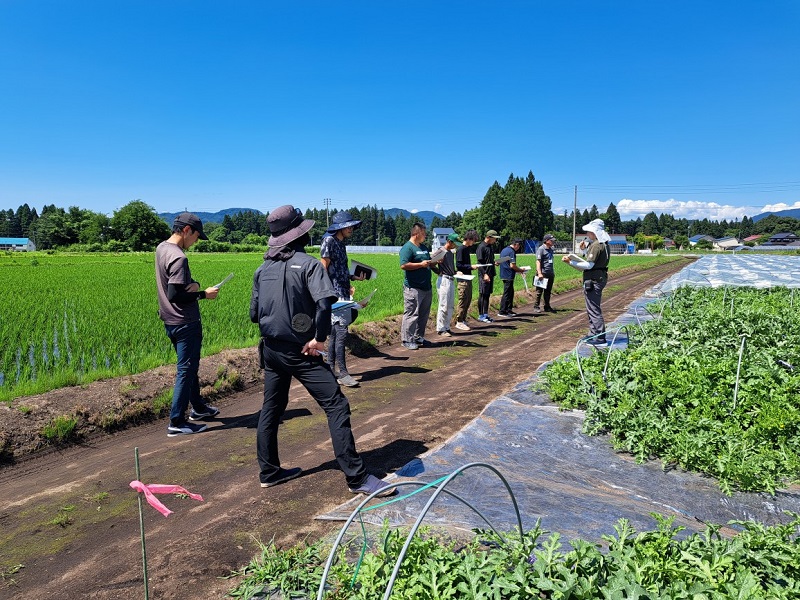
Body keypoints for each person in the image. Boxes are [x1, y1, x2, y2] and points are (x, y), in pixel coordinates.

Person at [250, 205, 395, 496]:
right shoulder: (309, 265)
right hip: (302, 351)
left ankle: (269, 471)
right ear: (300, 234)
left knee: (272, 408)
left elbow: (255, 314)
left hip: (270, 350)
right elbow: (324, 305)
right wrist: (318, 338)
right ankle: (357, 478)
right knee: (336, 405)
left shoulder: (261, 269)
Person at [155, 212, 220, 437]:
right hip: (185, 321)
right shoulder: (179, 257)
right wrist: (203, 294)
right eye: (196, 236)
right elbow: (175, 294)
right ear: (186, 231)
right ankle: (177, 421)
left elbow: (174, 286)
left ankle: (199, 408)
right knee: (185, 370)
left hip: (170, 321)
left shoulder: (162, 248)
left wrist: (191, 285)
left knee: (189, 367)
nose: (196, 241)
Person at [319, 211, 366, 388]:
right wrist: (324, 294)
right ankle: (343, 373)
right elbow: (323, 268)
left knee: (335, 333)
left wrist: (352, 278)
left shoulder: (341, 243)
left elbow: (340, 270)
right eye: (349, 226)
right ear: (341, 227)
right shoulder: (328, 240)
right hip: (333, 295)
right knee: (340, 333)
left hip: (343, 292)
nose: (352, 229)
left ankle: (330, 370)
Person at [563, 219, 611, 345]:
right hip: (599, 278)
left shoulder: (596, 245)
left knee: (593, 309)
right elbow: (593, 261)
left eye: (589, 232)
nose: (588, 234)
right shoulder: (603, 243)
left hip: (594, 280)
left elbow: (589, 265)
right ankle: (593, 333)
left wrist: (570, 262)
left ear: (594, 232)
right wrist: (584, 251)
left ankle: (600, 337)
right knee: (592, 308)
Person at [399, 222, 436, 350]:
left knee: (423, 314)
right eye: (423, 233)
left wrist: (434, 262)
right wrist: (421, 265)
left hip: (426, 287)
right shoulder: (408, 248)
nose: (425, 235)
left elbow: (428, 262)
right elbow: (403, 265)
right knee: (411, 314)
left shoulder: (423, 247)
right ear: (416, 234)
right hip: (413, 288)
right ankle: (406, 339)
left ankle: (418, 337)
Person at [435, 233, 462, 336]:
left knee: (450, 306)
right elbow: (431, 262)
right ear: (449, 242)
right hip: (444, 280)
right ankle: (441, 328)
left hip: (451, 279)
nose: (456, 246)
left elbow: (450, 267)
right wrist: (438, 271)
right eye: (455, 243)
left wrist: (456, 272)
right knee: (443, 305)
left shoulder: (451, 253)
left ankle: (447, 326)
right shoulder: (441, 250)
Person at [454, 229, 481, 330]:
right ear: (469, 239)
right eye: (473, 240)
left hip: (468, 277)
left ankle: (463, 319)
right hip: (462, 278)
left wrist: (471, 267)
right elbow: (459, 265)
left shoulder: (466, 249)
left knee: (468, 299)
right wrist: (471, 267)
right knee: (463, 299)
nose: (474, 243)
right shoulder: (461, 249)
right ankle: (459, 321)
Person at [475, 230, 500, 323]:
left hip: (490, 273)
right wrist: (484, 274)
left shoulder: (490, 247)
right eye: (494, 239)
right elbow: (479, 263)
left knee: (487, 295)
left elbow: (489, 260)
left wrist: (494, 263)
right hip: (484, 275)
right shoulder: (481, 247)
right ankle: (480, 315)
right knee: (482, 294)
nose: (495, 241)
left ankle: (486, 314)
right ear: (489, 237)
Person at [497, 238, 527, 317]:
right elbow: (512, 265)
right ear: (516, 244)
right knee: (507, 293)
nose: (519, 248)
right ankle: (502, 311)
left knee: (510, 292)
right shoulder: (511, 252)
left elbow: (498, 261)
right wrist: (521, 270)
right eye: (519, 246)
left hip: (503, 274)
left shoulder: (504, 250)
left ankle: (508, 309)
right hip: (508, 275)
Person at [534, 234, 557, 313]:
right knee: (539, 291)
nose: (553, 242)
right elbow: (538, 261)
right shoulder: (541, 249)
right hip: (543, 273)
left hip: (550, 273)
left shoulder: (551, 249)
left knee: (548, 291)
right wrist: (539, 273)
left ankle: (547, 306)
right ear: (546, 241)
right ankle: (536, 306)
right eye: (551, 240)